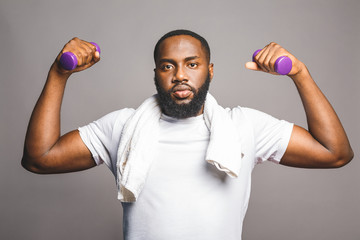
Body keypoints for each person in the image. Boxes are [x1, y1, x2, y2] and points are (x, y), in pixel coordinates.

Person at [22, 29, 353, 240]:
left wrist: (300, 74)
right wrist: (59, 74)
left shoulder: (243, 126)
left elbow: (335, 153)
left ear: (209, 71)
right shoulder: (124, 127)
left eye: (192, 64)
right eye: (168, 66)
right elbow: (40, 159)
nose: (180, 75)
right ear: (156, 74)